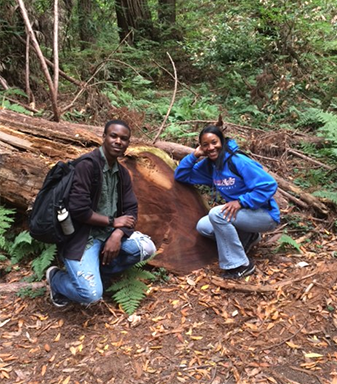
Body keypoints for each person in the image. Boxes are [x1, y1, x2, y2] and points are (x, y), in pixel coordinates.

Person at [46, 119, 156, 307]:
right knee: (91, 296)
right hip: (81, 239)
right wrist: (114, 222)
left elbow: (131, 209)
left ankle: (99, 272)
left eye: (124, 138)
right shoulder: (87, 165)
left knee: (146, 248)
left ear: (128, 143)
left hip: (107, 235)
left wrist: (118, 233)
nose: (118, 141)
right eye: (113, 136)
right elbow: (78, 210)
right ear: (104, 137)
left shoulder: (121, 172)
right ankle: (56, 278)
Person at [174, 125, 280, 279]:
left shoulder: (237, 161)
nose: (211, 148)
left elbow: (269, 185)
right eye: (205, 145)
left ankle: (241, 265)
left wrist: (241, 202)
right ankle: (249, 237)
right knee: (203, 226)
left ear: (222, 142)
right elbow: (181, 175)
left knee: (217, 214)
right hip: (243, 216)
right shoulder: (210, 166)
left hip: (265, 215)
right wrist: (195, 155)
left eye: (214, 142)